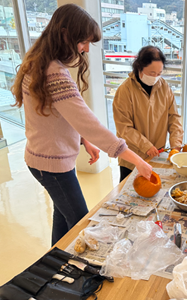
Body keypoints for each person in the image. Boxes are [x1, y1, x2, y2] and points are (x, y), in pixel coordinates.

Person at [11, 4, 152, 245]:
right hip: (52, 166)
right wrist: (137, 160)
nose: (86, 49)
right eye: (83, 41)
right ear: (65, 34)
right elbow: (89, 122)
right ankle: (71, 270)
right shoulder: (54, 72)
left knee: (62, 217)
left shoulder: (37, 61)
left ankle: (54, 262)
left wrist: (83, 140)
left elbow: (57, 115)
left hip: (42, 158)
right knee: (80, 223)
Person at [113, 46, 183, 182]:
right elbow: (124, 128)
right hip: (132, 156)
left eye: (159, 73)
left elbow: (174, 117)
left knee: (154, 187)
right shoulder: (124, 91)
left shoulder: (164, 87)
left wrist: (176, 144)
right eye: (151, 73)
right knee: (130, 191)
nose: (155, 77)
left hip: (157, 154)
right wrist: (146, 146)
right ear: (139, 67)